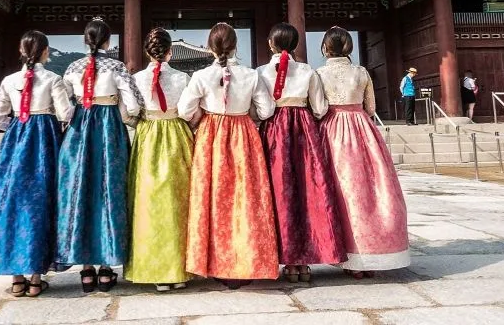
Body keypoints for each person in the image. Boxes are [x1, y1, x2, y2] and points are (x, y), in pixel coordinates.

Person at [0, 30, 73, 298]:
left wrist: (18, 129)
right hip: (45, 141)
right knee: (42, 202)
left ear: (22, 51)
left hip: (16, 140)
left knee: (12, 201)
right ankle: (36, 278)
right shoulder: (53, 79)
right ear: (45, 51)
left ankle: (17, 278)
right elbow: (66, 113)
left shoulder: (8, 80)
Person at [178, 22, 278, 289]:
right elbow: (267, 110)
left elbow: (184, 110)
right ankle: (246, 261)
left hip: (211, 135)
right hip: (244, 133)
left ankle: (214, 263)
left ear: (211, 47)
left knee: (212, 198)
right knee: (246, 200)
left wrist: (202, 117)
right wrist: (247, 115)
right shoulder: (250, 75)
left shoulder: (200, 76)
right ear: (235, 46)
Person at [56, 18, 143, 293]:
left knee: (80, 190)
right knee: (109, 190)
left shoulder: (72, 67)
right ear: (108, 42)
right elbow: (133, 103)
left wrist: (75, 114)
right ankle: (107, 268)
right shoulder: (117, 67)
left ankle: (85, 269)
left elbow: (64, 102)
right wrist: (130, 117)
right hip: (108, 129)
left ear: (85, 41)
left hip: (81, 127)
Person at [316, 27, 410, 278]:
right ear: (349, 48)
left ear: (325, 48)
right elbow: (371, 107)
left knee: (341, 192)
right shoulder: (361, 72)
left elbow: (318, 108)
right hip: (362, 128)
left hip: (332, 129)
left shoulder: (320, 74)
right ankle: (373, 253)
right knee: (371, 190)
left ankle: (347, 254)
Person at [257, 23, 346, 282]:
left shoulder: (262, 71)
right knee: (307, 193)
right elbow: (319, 108)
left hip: (274, 131)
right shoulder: (307, 71)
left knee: (279, 193)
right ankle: (304, 262)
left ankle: (285, 257)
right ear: (295, 45)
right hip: (304, 130)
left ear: (271, 44)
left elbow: (260, 110)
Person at [125, 28, 195, 292]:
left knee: (148, 202)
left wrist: (141, 121)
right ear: (170, 51)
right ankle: (179, 269)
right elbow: (190, 112)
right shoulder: (183, 77)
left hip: (148, 137)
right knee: (179, 201)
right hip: (176, 135)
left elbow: (128, 112)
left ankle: (154, 269)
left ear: (146, 51)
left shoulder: (136, 78)